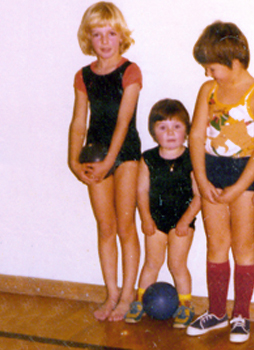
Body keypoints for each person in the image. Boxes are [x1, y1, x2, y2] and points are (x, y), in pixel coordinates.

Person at [186, 21, 254, 343]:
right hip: (211, 171)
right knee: (216, 244)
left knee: (243, 245)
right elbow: (196, 136)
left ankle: (242, 314)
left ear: (231, 59)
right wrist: (201, 175)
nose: (208, 74)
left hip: (244, 176)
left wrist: (240, 188)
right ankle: (218, 311)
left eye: (211, 67)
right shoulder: (207, 91)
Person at [68, 2, 142, 322]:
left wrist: (111, 161)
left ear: (120, 36)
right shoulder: (83, 76)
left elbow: (124, 122)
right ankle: (111, 293)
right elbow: (78, 123)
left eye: (111, 33)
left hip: (124, 155)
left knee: (126, 226)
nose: (105, 41)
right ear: (89, 38)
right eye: (97, 35)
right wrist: (74, 162)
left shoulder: (130, 71)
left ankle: (128, 294)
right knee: (105, 227)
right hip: (95, 154)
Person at [124, 99, 201, 328]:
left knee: (177, 265)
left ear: (186, 130)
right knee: (151, 264)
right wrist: (146, 219)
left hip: (182, 223)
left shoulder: (191, 158)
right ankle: (139, 301)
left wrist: (185, 221)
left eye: (176, 127)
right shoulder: (148, 159)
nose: (170, 133)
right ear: (153, 132)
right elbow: (141, 190)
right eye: (163, 127)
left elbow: (199, 196)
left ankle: (186, 306)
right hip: (155, 222)